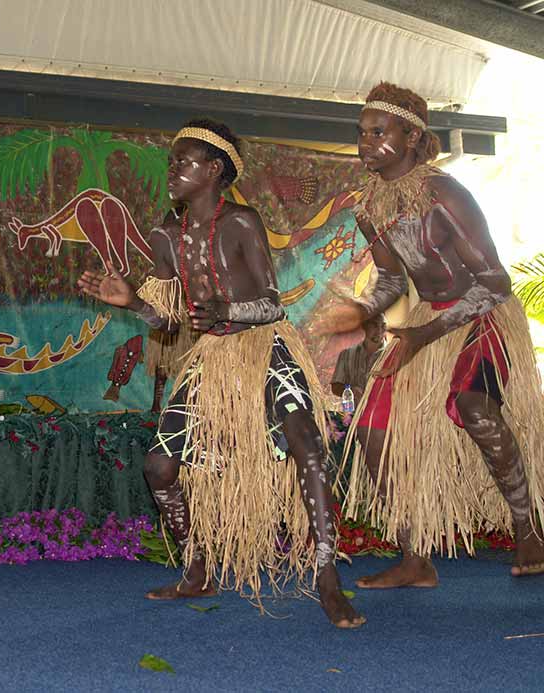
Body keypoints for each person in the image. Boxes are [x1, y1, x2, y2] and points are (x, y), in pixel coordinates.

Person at [77, 119, 363, 628]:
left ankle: (327, 576)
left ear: (213, 171)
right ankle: (196, 571)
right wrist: (133, 302)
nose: (173, 171)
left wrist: (232, 312)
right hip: (212, 358)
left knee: (306, 443)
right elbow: (168, 321)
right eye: (172, 162)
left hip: (263, 349)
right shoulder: (167, 234)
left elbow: (272, 304)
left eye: (183, 163)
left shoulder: (241, 223)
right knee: (159, 468)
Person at [321, 82, 544, 588]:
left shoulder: (446, 195)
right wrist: (362, 310)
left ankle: (528, 527)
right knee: (373, 433)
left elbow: (494, 282)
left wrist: (423, 333)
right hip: (426, 322)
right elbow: (395, 281)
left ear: (412, 135)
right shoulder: (370, 209)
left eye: (379, 131)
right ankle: (414, 555)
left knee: (474, 405)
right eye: (361, 132)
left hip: (480, 315)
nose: (365, 142)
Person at [144, 206, 198, 413]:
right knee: (163, 354)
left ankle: (191, 403)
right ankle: (156, 404)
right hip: (173, 298)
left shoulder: (205, 215)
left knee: (194, 355)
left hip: (193, 299)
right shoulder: (174, 214)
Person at [330, 313, 387, 406]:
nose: (380, 330)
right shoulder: (347, 354)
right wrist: (350, 390)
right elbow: (335, 387)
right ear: (364, 326)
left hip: (381, 414)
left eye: (383, 326)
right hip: (354, 414)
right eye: (375, 325)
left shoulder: (392, 355)